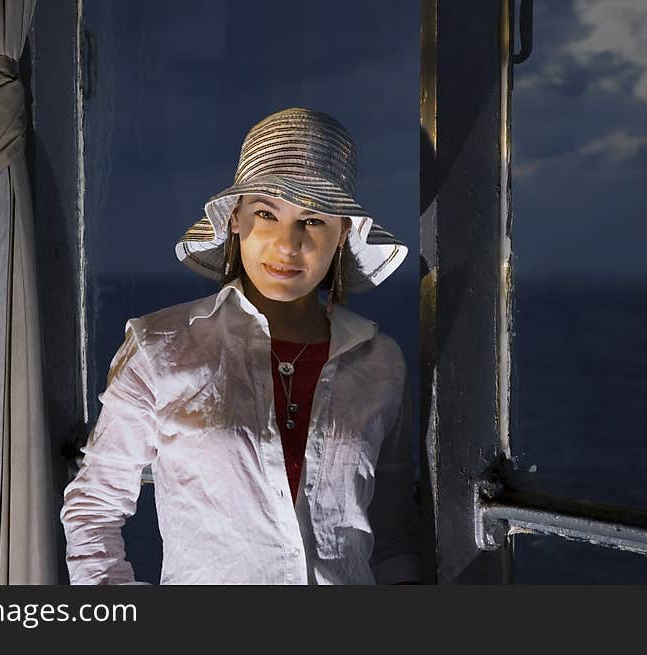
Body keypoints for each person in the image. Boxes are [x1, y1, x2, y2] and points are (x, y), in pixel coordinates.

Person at [60, 107, 420, 585]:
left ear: (343, 234)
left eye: (312, 221)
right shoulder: (161, 348)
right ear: (234, 219)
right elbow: (94, 508)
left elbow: (394, 535)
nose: (287, 245)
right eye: (266, 213)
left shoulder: (381, 363)